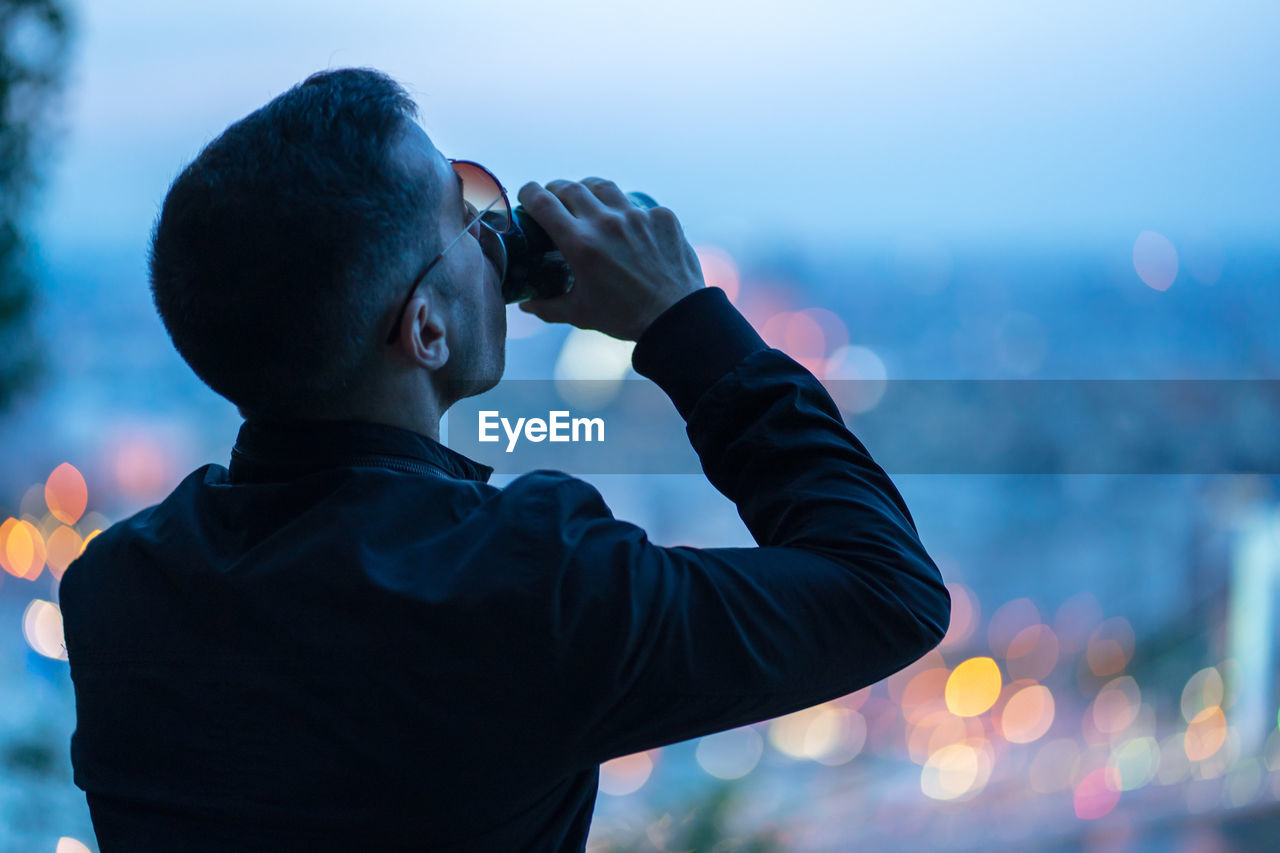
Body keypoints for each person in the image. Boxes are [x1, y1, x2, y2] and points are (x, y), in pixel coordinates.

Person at [59, 67, 950, 852]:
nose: (499, 237)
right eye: (471, 222)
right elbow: (886, 590)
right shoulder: (530, 585)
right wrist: (685, 321)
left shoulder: (117, 590)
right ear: (427, 327)